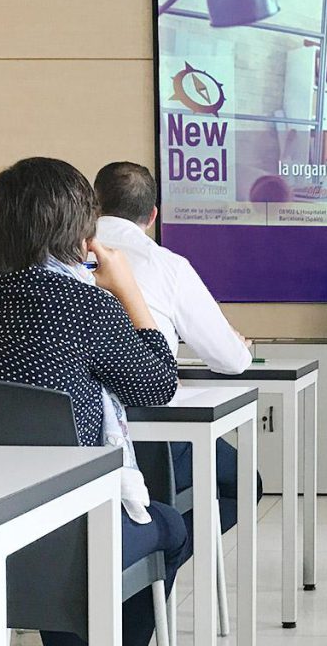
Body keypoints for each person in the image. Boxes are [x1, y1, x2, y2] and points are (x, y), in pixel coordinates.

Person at [0, 157, 190, 646]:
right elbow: (157, 386)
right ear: (83, 235)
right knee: (169, 526)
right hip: (67, 546)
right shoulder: (85, 304)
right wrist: (128, 291)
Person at [93, 161, 260, 531]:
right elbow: (231, 361)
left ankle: (151, 559)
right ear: (153, 215)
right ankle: (163, 557)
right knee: (244, 484)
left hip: (75, 445)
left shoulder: (60, 261)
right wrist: (237, 343)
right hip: (152, 433)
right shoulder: (167, 265)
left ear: (92, 205)